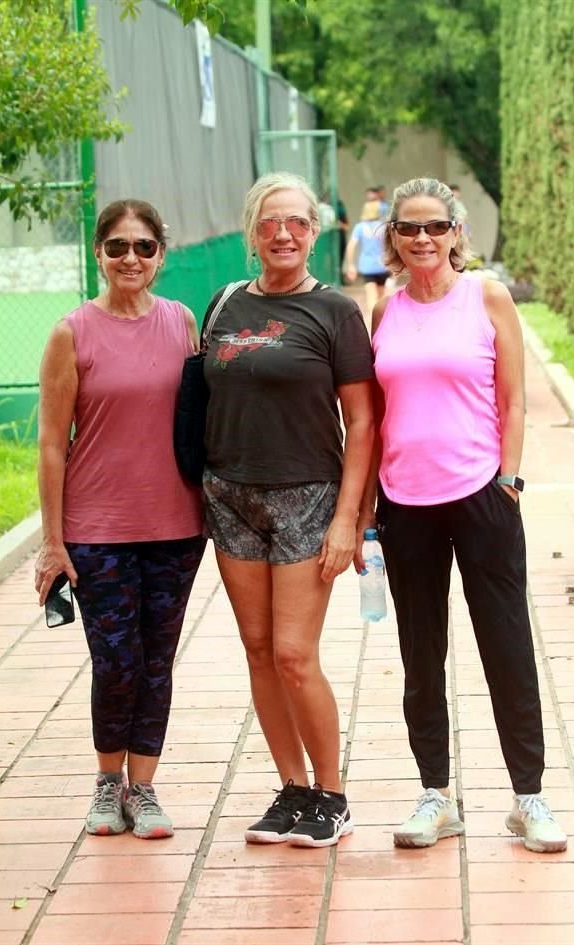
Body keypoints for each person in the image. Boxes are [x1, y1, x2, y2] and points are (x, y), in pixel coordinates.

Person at [355, 178, 567, 854]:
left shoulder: (488, 296)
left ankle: (528, 798)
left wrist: (507, 478)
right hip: (405, 502)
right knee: (421, 654)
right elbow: (374, 412)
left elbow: (512, 395)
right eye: (409, 228)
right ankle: (435, 795)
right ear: (392, 237)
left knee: (506, 645)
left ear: (456, 232)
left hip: (481, 495)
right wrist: (367, 503)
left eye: (435, 226)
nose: (423, 238)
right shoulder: (384, 310)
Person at [202, 171, 374, 847]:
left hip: (307, 497)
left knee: (296, 654)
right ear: (252, 233)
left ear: (315, 231)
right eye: (270, 222)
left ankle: (332, 794)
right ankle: (292, 788)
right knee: (258, 649)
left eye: (298, 222)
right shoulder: (222, 305)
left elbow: (361, 422)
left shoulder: (336, 312)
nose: (283, 233)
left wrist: (347, 517)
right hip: (230, 496)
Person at [35, 199, 206, 840]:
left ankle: (146, 788)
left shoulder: (183, 322)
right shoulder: (71, 333)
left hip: (176, 526)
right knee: (115, 662)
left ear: (160, 255)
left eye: (143, 247)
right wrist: (53, 542)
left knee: (157, 659)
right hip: (96, 529)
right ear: (98, 254)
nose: (130, 258)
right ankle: (109, 784)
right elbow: (53, 442)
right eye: (116, 247)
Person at [344, 199, 391, 314]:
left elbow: (351, 246)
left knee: (371, 299)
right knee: (381, 298)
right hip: (383, 266)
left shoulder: (359, 227)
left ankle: (373, 325)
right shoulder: (384, 227)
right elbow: (392, 245)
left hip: (367, 267)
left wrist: (351, 265)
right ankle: (381, 323)